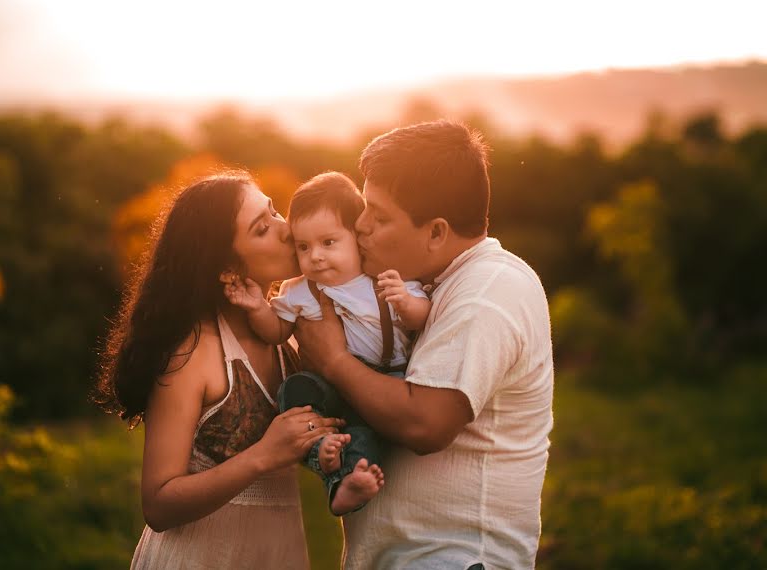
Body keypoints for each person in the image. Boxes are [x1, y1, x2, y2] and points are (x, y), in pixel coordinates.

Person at [295, 120, 555, 569]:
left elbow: (425, 423)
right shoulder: (435, 285)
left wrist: (335, 360)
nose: (360, 225)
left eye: (378, 215)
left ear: (436, 232)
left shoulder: (486, 291)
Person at [93, 171, 343, 569]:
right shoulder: (193, 352)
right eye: (263, 228)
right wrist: (263, 455)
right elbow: (158, 504)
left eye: (275, 212)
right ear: (227, 268)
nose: (286, 229)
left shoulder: (290, 333)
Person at [223, 172, 431, 515]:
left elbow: (422, 318)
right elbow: (276, 330)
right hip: (331, 387)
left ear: (357, 236)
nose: (315, 256)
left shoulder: (383, 277)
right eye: (303, 247)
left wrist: (406, 304)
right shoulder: (301, 289)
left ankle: (347, 481)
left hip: (385, 380)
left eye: (328, 243)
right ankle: (321, 447)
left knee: (363, 434)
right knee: (296, 389)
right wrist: (258, 306)